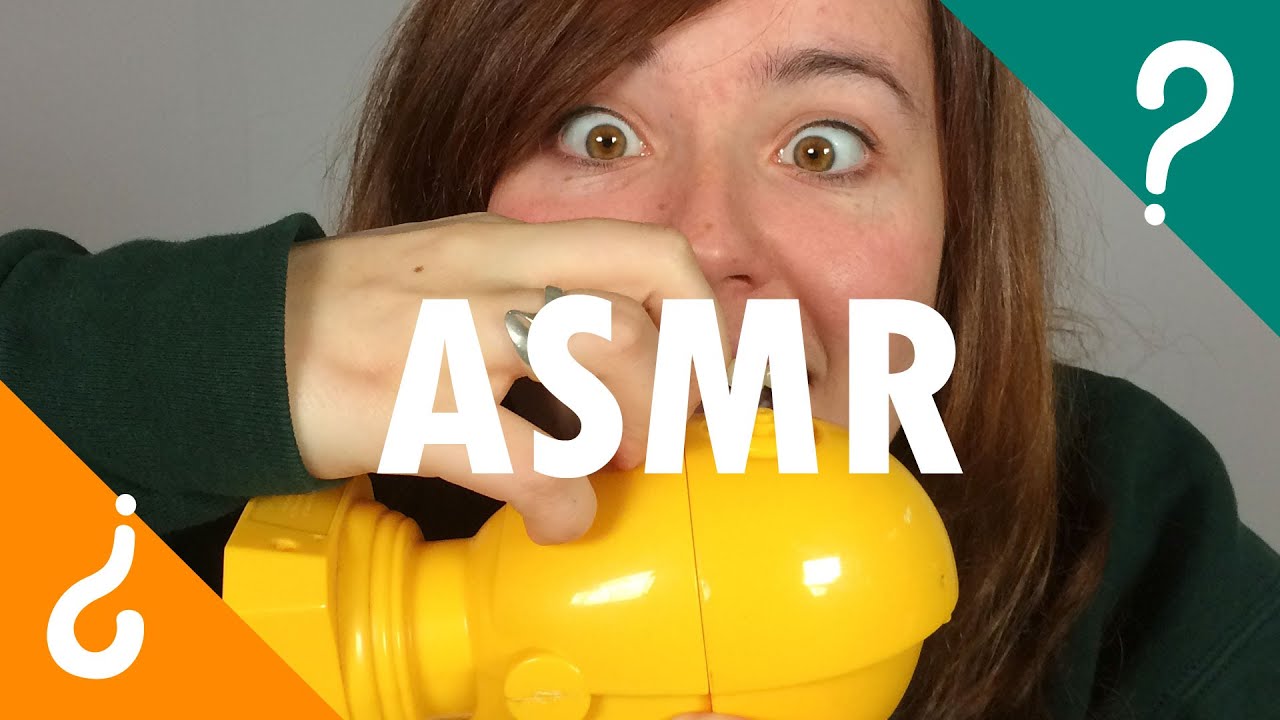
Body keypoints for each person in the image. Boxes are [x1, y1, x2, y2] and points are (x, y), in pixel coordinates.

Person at [2, 1, 1276, 718]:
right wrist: (211, 356)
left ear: (955, 228)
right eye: (596, 134)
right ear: (448, 213)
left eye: (823, 147)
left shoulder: (1126, 534)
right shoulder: (170, 541)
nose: (700, 248)